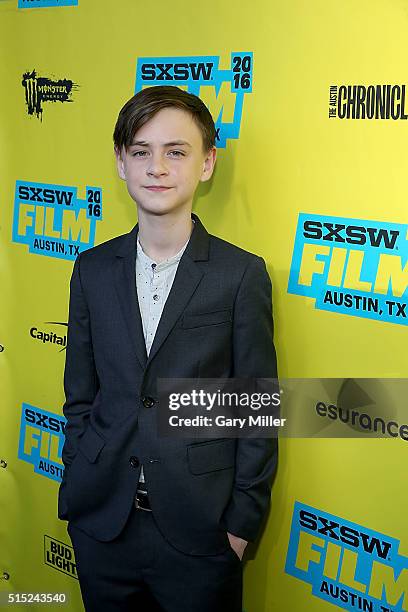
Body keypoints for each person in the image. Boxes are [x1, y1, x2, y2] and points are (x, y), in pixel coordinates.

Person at [58, 85, 278, 612]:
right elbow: (79, 397)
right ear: (121, 163)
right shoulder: (91, 269)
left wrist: (240, 526)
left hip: (199, 535)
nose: (157, 166)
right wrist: (78, 475)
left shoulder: (240, 274)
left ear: (206, 163)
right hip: (102, 525)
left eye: (176, 151)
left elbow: (256, 408)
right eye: (141, 151)